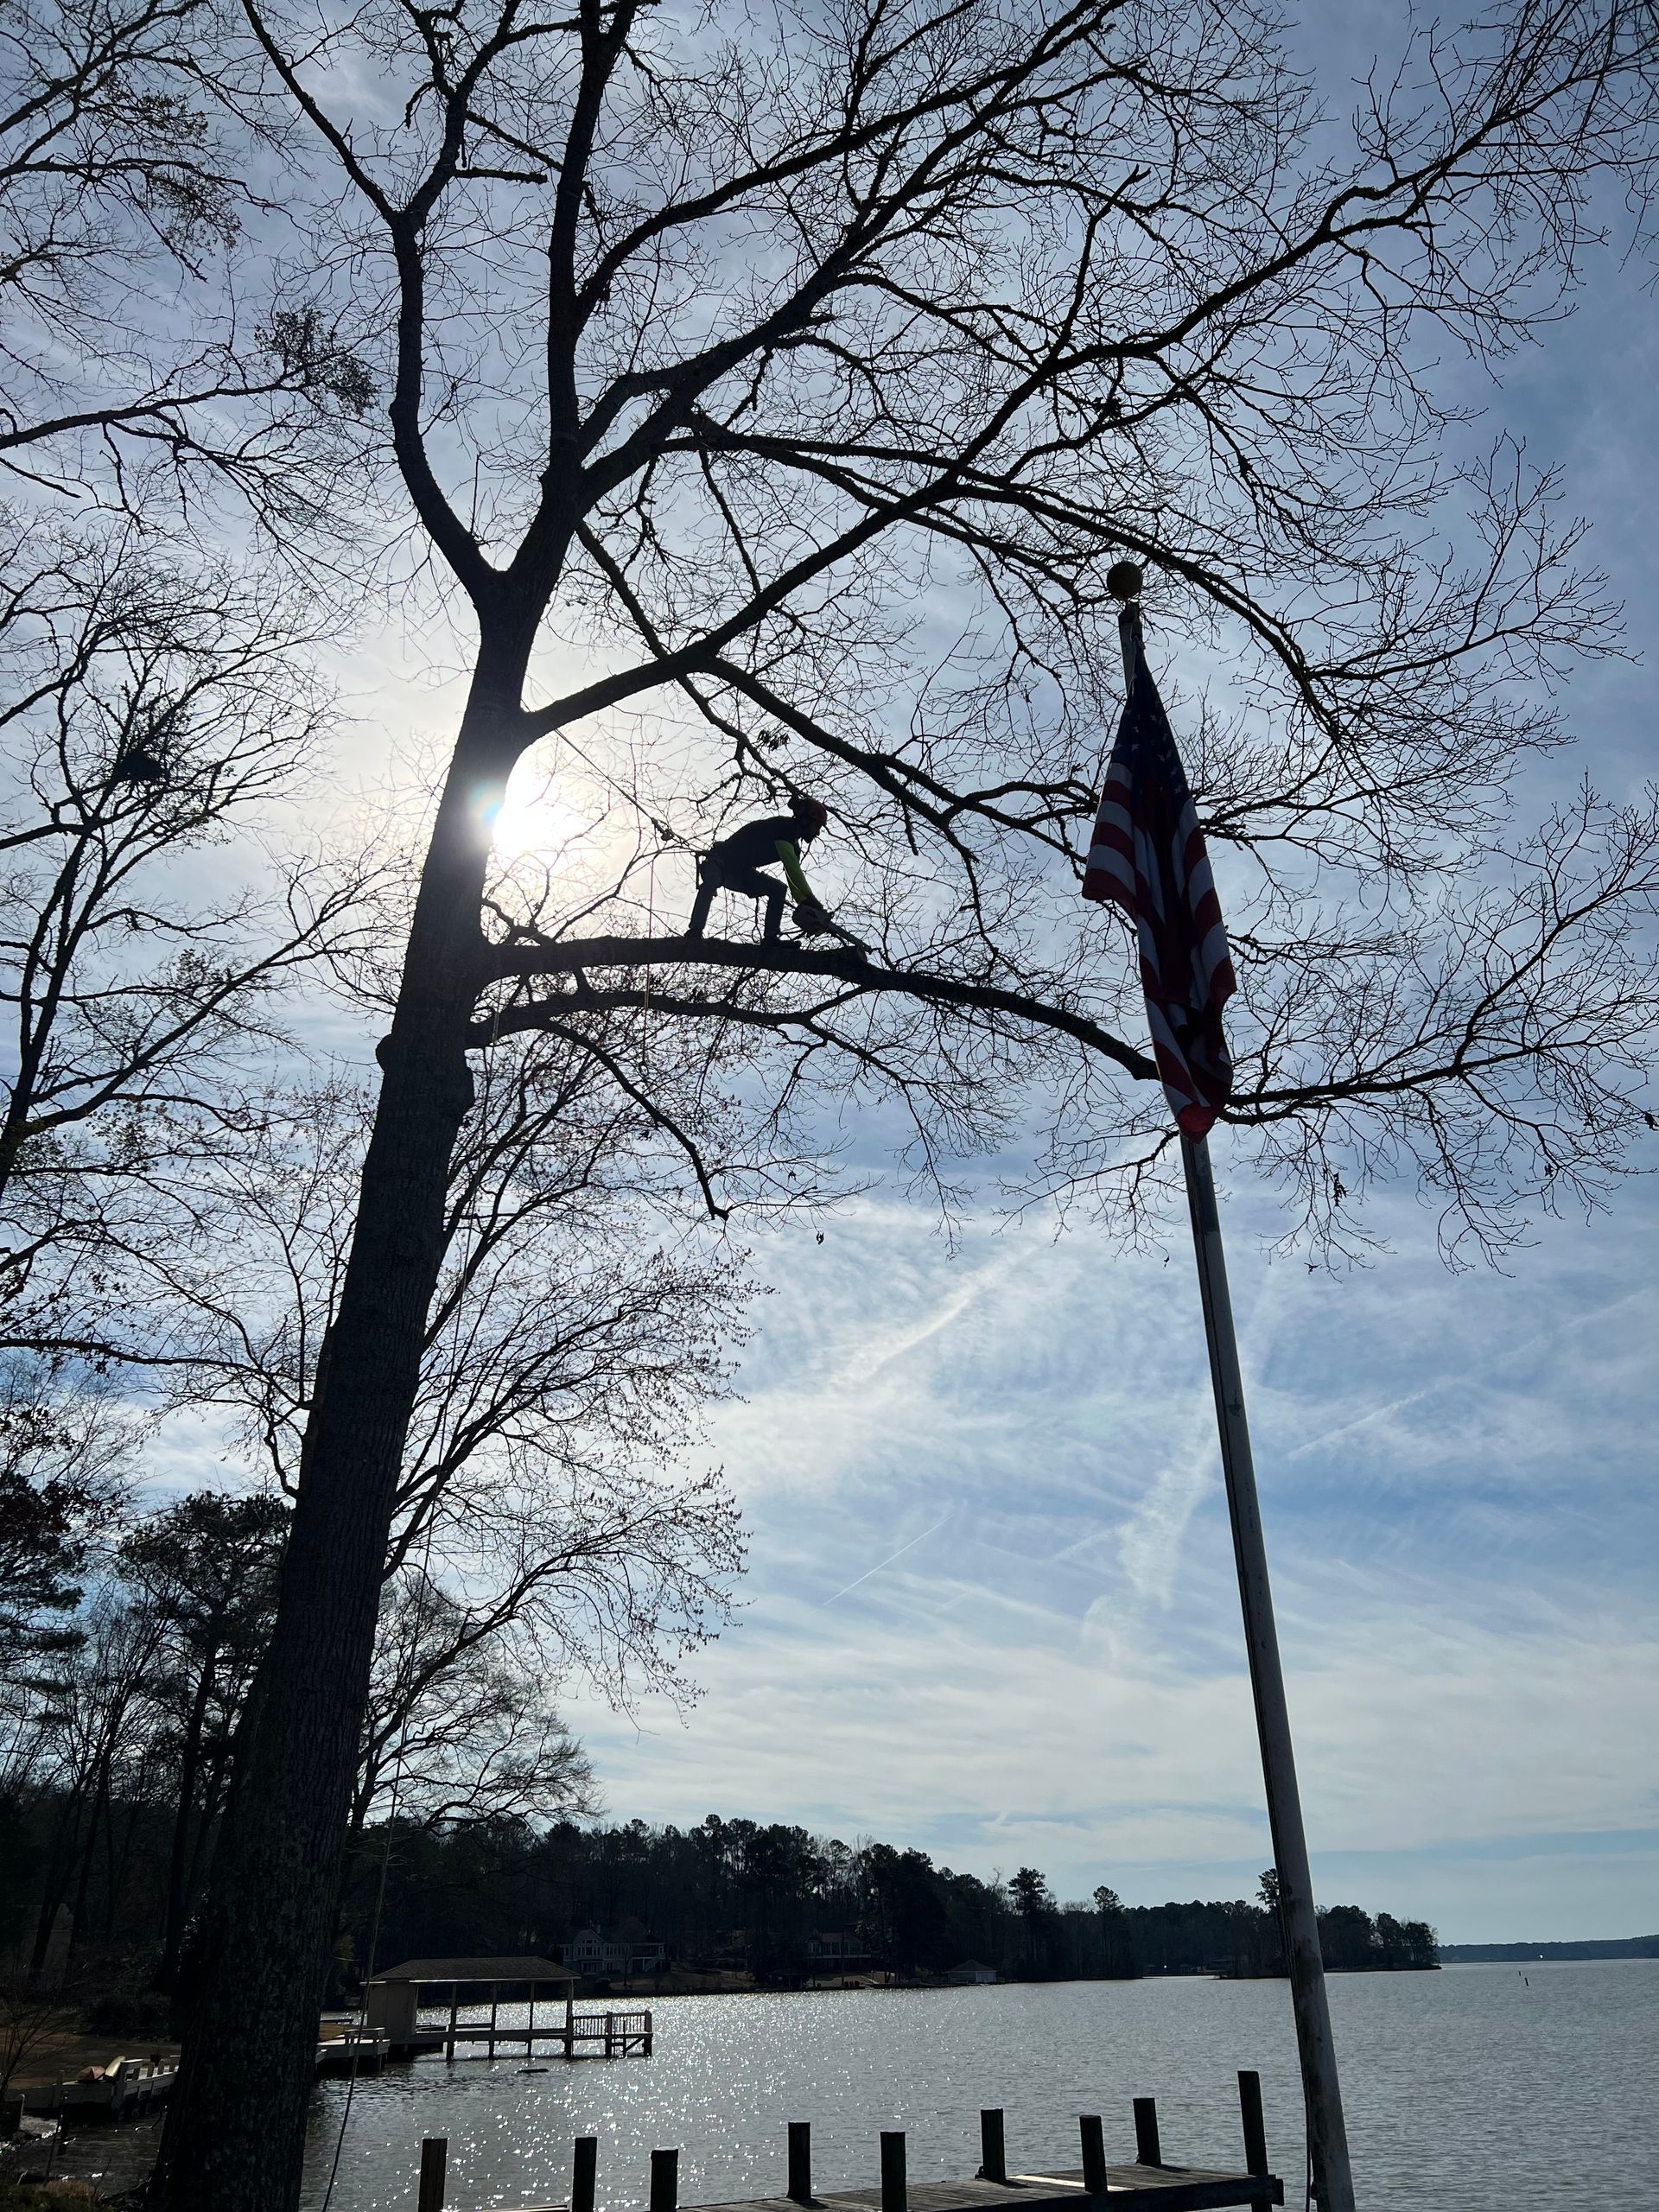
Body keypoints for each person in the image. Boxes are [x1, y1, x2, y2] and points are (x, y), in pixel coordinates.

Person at [687, 793, 830, 942]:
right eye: (817, 826)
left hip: (741, 872)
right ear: (806, 820)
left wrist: (809, 907)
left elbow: (794, 883)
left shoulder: (795, 848)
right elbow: (794, 871)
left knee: (778, 889)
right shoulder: (784, 828)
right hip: (721, 859)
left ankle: (770, 938)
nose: (817, 832)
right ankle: (695, 931)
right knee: (712, 881)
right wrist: (812, 900)